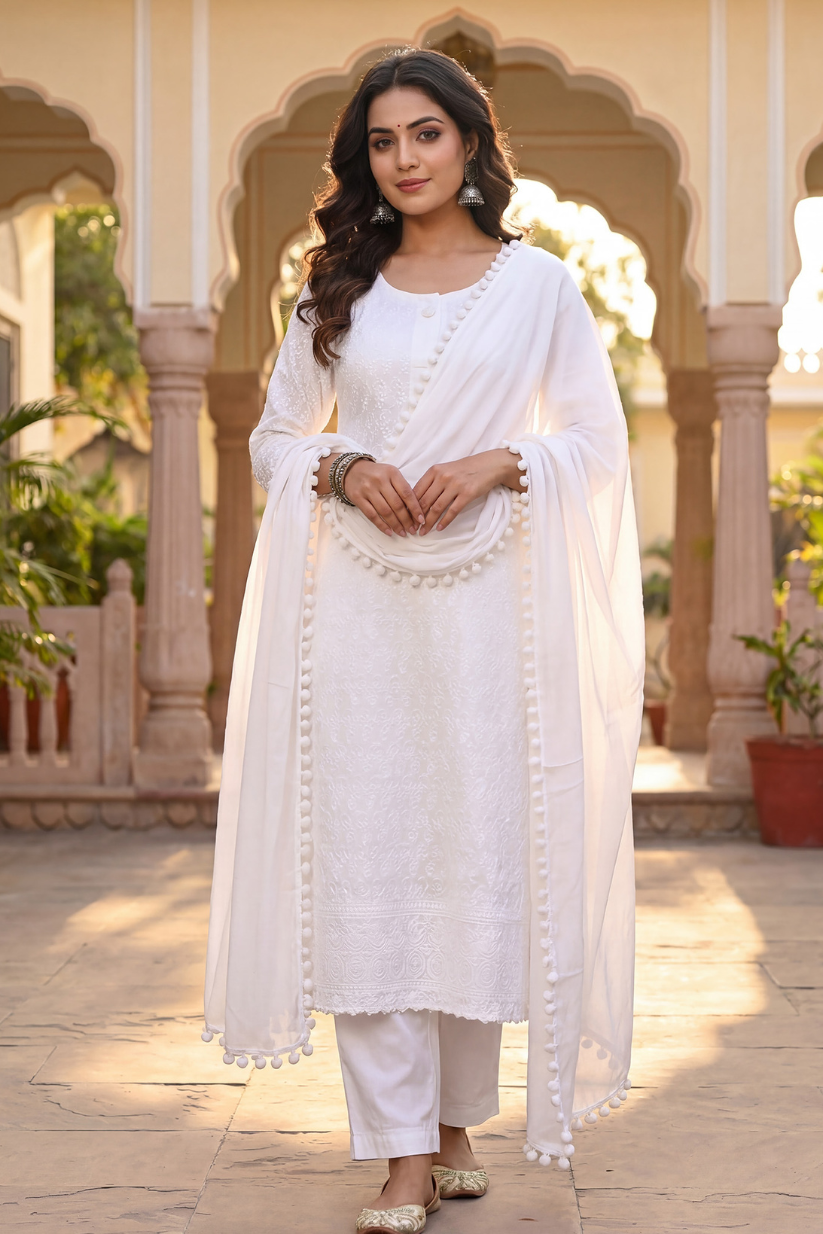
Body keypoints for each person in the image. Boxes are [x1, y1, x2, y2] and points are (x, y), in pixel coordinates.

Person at [203, 48, 644, 1234]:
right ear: (365, 159)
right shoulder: (337, 291)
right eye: (382, 141)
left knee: (469, 865)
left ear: (470, 142)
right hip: (358, 617)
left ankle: (452, 1123)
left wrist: (503, 459)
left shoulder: (538, 289)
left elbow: (595, 444)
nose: (404, 159)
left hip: (489, 617)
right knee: (372, 863)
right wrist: (342, 465)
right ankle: (400, 1154)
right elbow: (274, 437)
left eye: (426, 135)